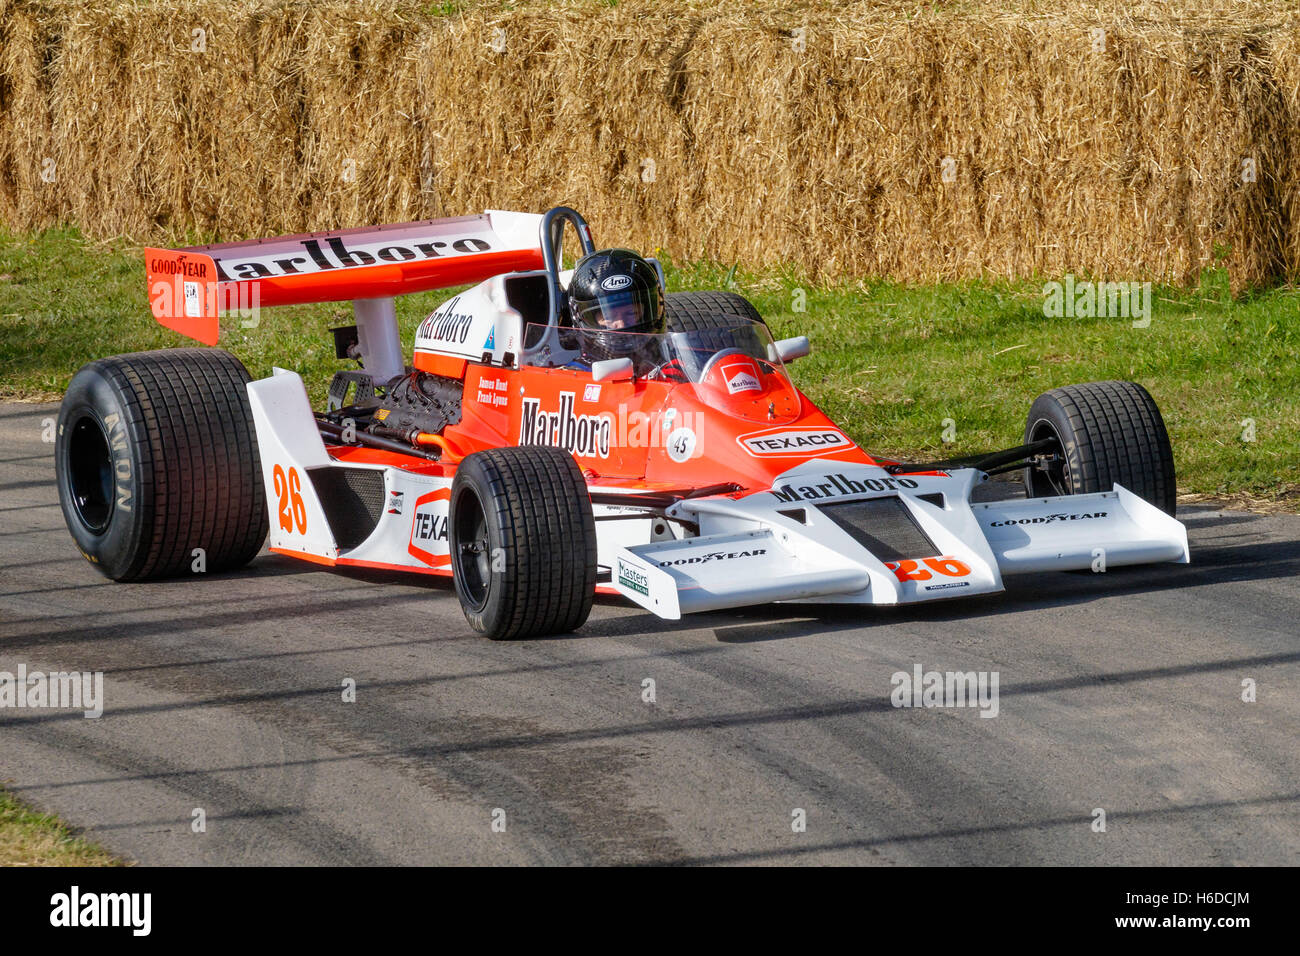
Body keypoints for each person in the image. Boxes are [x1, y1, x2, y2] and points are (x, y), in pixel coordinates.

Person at [563, 248, 669, 375]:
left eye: (632, 313)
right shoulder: (575, 376)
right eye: (609, 317)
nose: (621, 324)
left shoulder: (672, 365)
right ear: (583, 318)